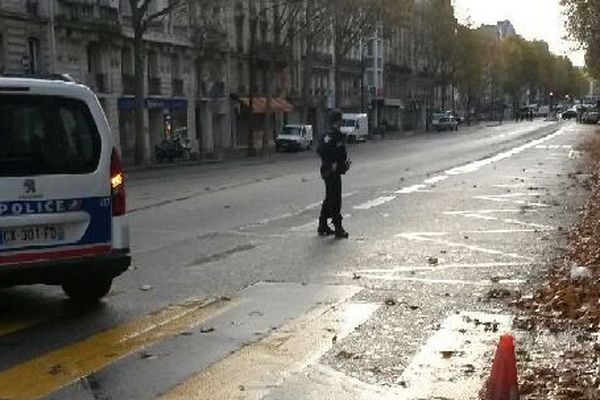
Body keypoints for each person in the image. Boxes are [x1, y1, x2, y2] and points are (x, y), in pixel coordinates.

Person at [317, 110, 350, 239]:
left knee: (329, 197)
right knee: (335, 198)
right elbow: (341, 153)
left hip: (326, 169)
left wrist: (328, 162)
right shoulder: (337, 135)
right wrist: (336, 163)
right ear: (338, 121)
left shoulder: (325, 135)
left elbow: (320, 150)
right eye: (341, 120)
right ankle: (338, 227)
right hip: (333, 170)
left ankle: (323, 224)